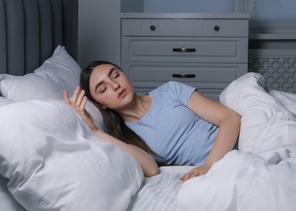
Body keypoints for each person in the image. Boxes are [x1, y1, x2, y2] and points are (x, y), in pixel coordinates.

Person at [64, 61, 241, 182]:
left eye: (115, 75)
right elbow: (151, 169)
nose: (115, 85)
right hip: (221, 172)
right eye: (103, 89)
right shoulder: (126, 138)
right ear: (101, 105)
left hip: (239, 145)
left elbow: (230, 118)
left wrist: (209, 165)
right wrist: (95, 131)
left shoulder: (170, 90)